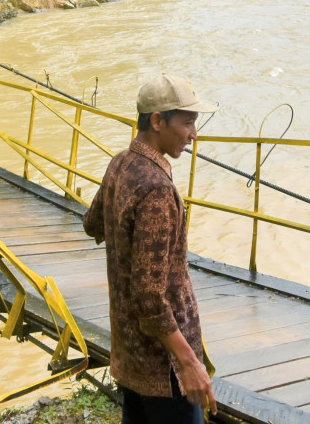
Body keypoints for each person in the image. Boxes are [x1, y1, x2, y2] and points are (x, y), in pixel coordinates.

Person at [83, 74, 218, 423]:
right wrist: (189, 363)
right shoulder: (157, 188)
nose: (193, 134)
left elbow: (92, 224)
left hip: (131, 355)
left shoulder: (121, 164)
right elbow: (149, 296)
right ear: (157, 121)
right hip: (165, 367)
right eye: (187, 123)